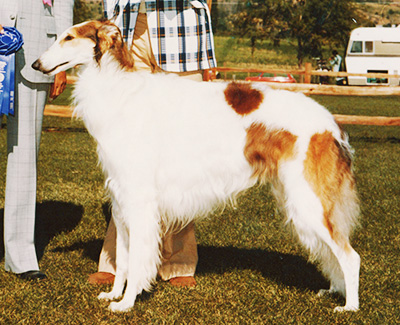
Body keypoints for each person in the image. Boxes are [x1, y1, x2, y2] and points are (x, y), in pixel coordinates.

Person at [88, 0, 216, 286]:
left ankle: (178, 262)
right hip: (130, 28)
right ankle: (116, 260)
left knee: (180, 154)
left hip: (182, 29)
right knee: (127, 154)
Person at [0, 0, 74, 281]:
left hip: (34, 50)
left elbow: (63, 8)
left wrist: (60, 62)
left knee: (24, 158)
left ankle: (21, 257)